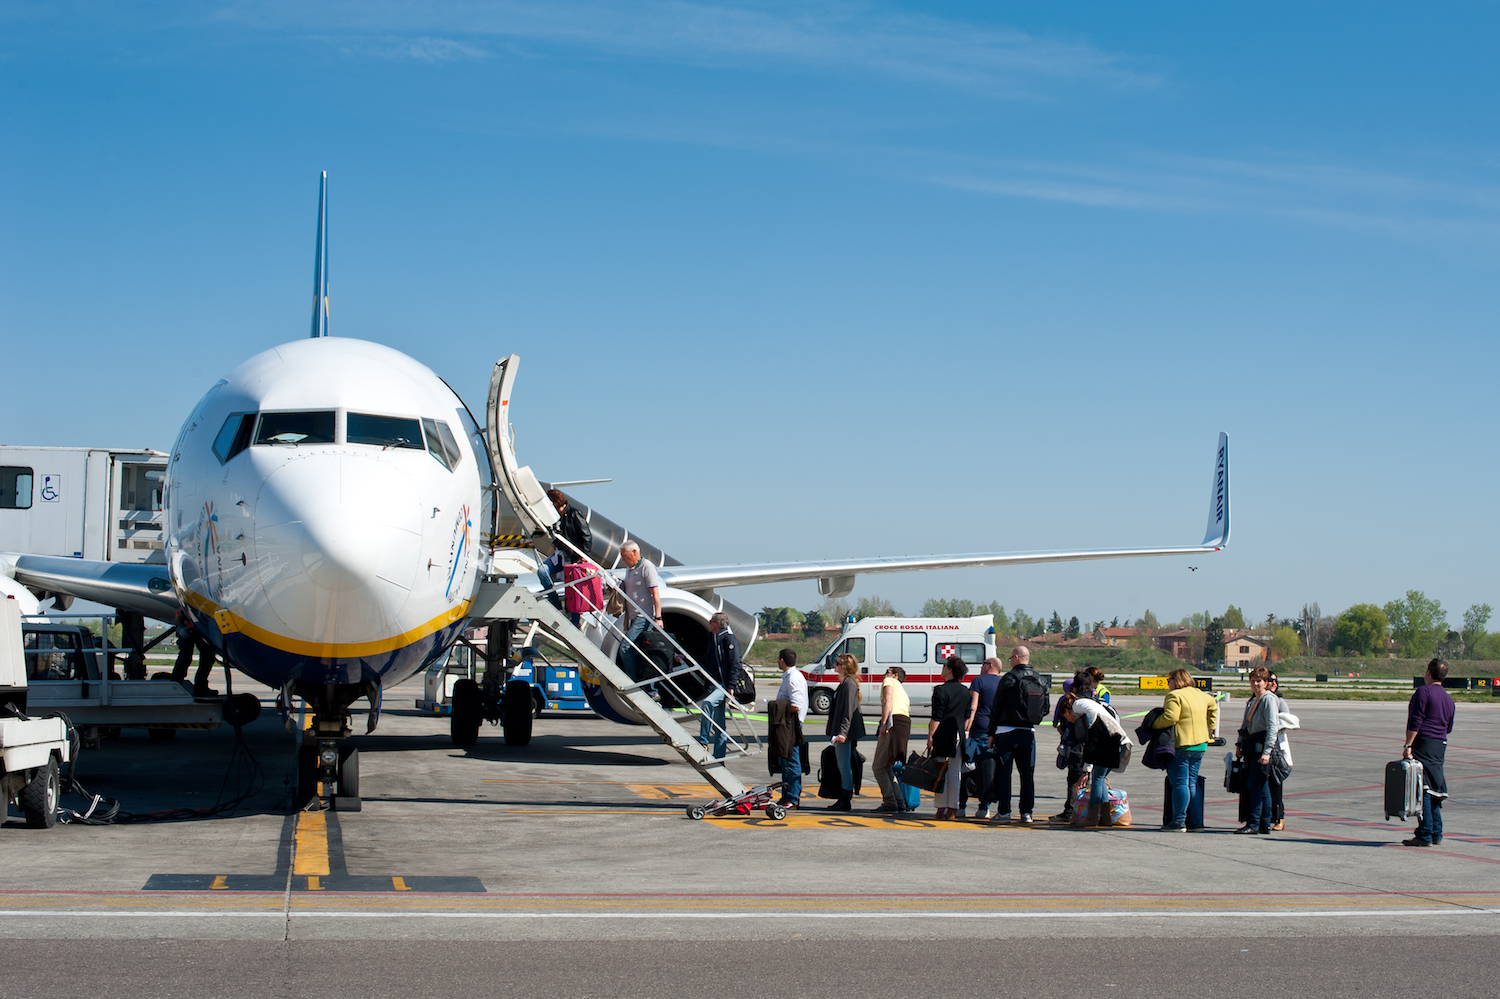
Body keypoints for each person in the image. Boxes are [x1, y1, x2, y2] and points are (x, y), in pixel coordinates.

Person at [1153, 668, 1218, 832]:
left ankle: (1178, 820)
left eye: (1169, 680)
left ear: (1176, 680)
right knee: (1192, 783)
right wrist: (1209, 727)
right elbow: (1213, 709)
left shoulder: (1175, 696)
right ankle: (1196, 822)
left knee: (1180, 783)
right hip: (1201, 745)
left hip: (1182, 744)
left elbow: (1171, 717)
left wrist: (1154, 723)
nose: (1168, 684)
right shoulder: (1204, 696)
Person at [1402, 658, 1456, 848]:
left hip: (1424, 743)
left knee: (1422, 786)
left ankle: (1424, 833)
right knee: (1434, 787)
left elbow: (1416, 720)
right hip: (1440, 744)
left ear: (1428, 672)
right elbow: (1448, 727)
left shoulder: (1423, 692)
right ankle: (1436, 832)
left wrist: (1408, 745)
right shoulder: (1449, 699)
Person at [988, 645, 1042, 824]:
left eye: (1011, 658)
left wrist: (991, 732)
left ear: (1016, 658)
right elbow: (1045, 708)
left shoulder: (1009, 678)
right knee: (1027, 774)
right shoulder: (1039, 679)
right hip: (1028, 731)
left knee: (1005, 772)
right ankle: (1027, 813)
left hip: (1006, 731)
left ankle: (1004, 812)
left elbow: (996, 706)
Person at [1065, 676, 1128, 824]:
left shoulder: (1077, 705)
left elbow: (1084, 732)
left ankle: (1092, 817)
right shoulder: (1094, 702)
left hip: (1103, 739)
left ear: (1074, 688)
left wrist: (1086, 767)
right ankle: (1105, 817)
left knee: (1097, 780)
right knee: (1099, 778)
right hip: (1115, 738)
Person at [1234, 666, 1281, 835]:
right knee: (1261, 786)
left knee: (1254, 785)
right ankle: (1263, 823)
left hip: (1262, 748)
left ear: (1266, 683)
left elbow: (1272, 726)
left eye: (1259, 681)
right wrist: (1239, 744)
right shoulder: (1254, 700)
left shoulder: (1268, 699)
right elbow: (1245, 725)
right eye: (1253, 681)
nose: (1256, 684)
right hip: (1251, 747)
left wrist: (1267, 752)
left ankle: (1254, 823)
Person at [539, 489, 593, 626]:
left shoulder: (574, 514)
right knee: (542, 571)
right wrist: (556, 543)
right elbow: (564, 535)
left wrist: (583, 555)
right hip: (562, 554)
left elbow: (586, 536)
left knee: (573, 589)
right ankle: (554, 601)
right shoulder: (558, 518)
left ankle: (575, 622)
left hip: (573, 557)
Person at [927, 657, 971, 820]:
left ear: (950, 670)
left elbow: (936, 717)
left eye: (945, 666)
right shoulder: (966, 691)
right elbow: (967, 716)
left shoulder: (940, 690)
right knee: (954, 773)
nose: (942, 669)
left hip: (943, 734)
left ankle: (941, 808)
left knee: (941, 772)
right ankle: (953, 807)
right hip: (959, 735)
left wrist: (931, 736)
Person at [960, 657, 1002, 819]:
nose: (981, 667)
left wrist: (966, 729)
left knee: (966, 767)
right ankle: (984, 807)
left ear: (989, 666)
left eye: (983, 664)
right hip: (996, 731)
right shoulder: (1003, 683)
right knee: (988, 771)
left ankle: (962, 806)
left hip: (979, 729)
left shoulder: (978, 681)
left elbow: (973, 706)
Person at [616, 541, 662, 689]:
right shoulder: (629, 569)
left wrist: (658, 617)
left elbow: (655, 593)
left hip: (644, 616)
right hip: (633, 617)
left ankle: (636, 683)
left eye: (624, 555)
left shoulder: (646, 567)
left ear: (635, 552)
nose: (623, 559)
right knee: (640, 652)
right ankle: (645, 685)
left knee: (625, 648)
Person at [825, 653, 865, 811]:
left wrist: (842, 732)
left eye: (837, 663)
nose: (834, 666)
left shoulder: (848, 684)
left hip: (844, 732)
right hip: (843, 730)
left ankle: (845, 797)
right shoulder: (846, 683)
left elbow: (848, 711)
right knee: (843, 763)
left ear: (844, 667)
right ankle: (844, 795)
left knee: (843, 765)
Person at [699, 612, 740, 760]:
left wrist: (730, 686)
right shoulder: (713, 640)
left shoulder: (728, 640)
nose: (709, 624)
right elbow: (707, 660)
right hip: (713, 684)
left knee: (707, 704)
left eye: (710, 621)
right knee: (719, 724)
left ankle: (703, 740)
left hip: (722, 685)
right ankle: (719, 757)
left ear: (717, 623)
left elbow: (735, 664)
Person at [871, 666, 912, 812]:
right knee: (887, 766)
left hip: (893, 722)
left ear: (895, 675)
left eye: (887, 672)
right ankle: (898, 800)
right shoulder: (902, 690)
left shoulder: (890, 681)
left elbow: (887, 700)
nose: (884, 674)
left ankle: (889, 801)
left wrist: (883, 723)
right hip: (904, 724)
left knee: (878, 766)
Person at [772, 648, 808, 809]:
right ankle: (786, 796)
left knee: (792, 760)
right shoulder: (790, 677)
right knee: (785, 760)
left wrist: (776, 706)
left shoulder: (793, 678)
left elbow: (796, 706)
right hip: (786, 724)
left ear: (781, 660)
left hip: (791, 725)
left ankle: (793, 798)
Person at [169, 608, 219, 697]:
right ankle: (177, 682)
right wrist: (180, 629)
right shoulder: (191, 605)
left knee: (206, 657)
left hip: (199, 630)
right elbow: (180, 616)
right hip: (189, 629)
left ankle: (199, 686)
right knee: (187, 656)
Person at [1266, 671, 1294, 831]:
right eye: (1270, 680)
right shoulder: (1255, 700)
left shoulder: (1279, 701)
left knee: (1276, 783)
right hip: (1260, 746)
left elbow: (1288, 720)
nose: (1273, 683)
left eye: (1275, 681)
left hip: (1276, 748)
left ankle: (1279, 817)